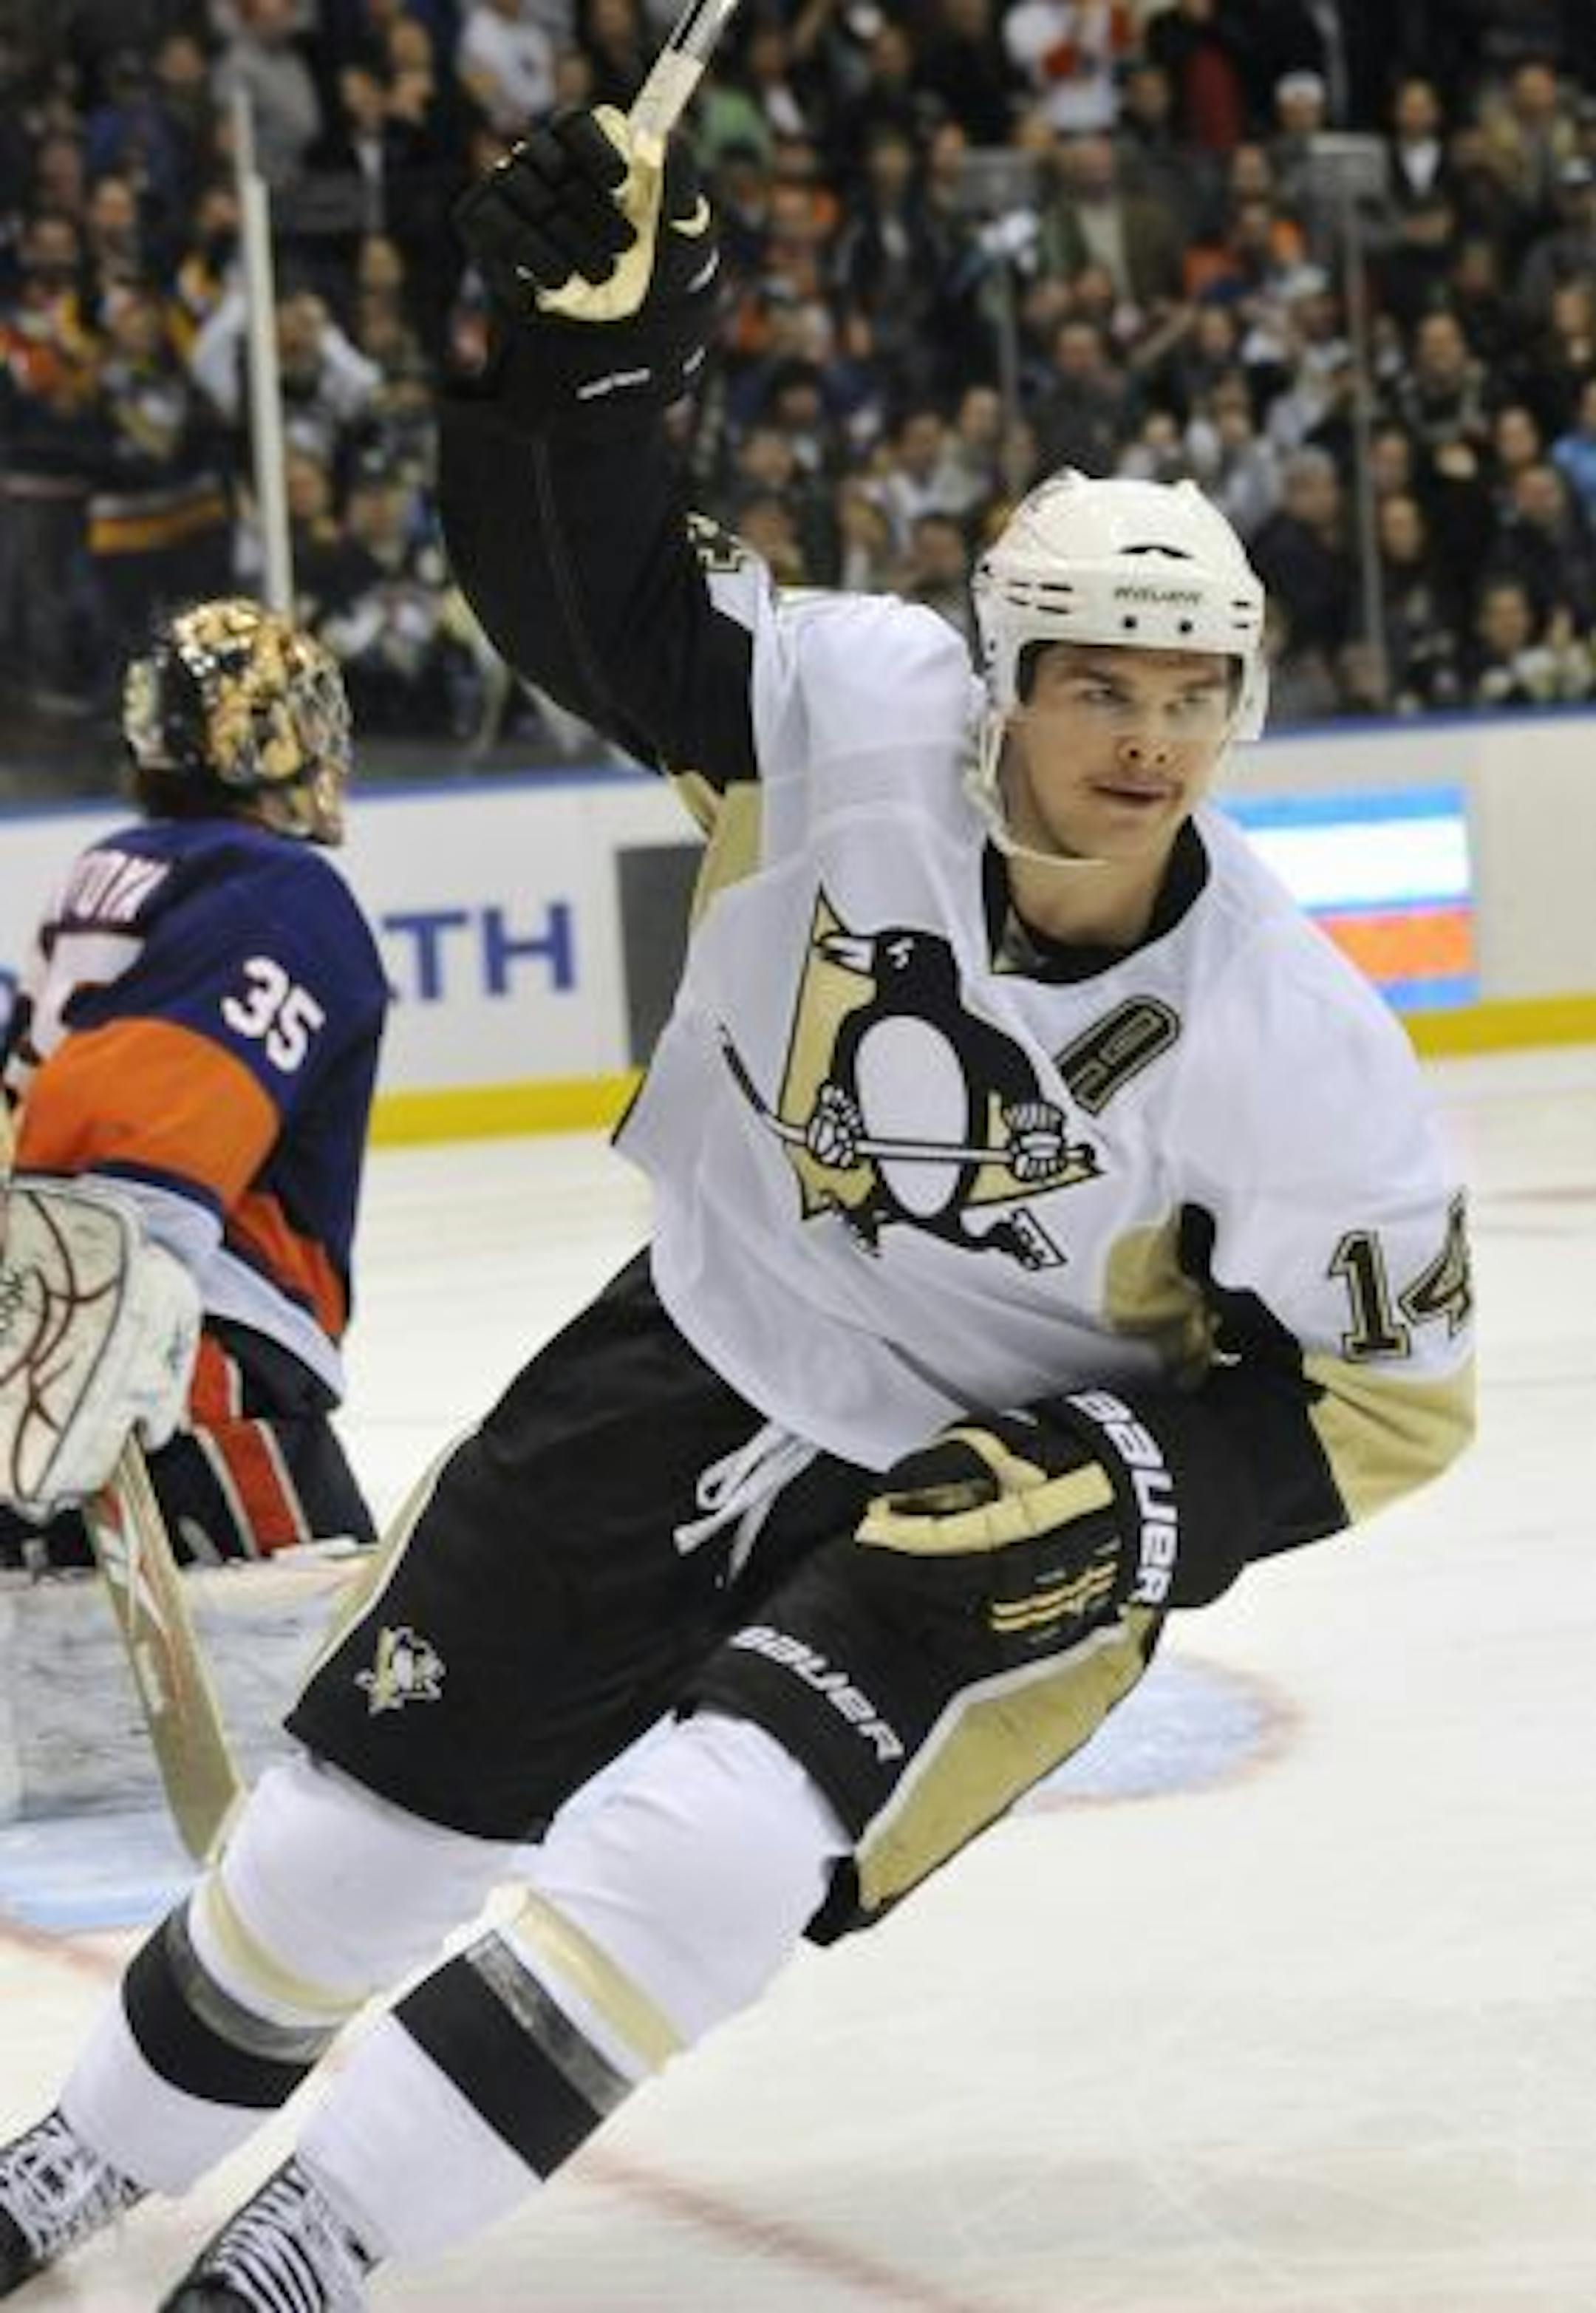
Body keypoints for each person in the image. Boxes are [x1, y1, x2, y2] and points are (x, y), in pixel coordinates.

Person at [0, 109, 1476, 2310]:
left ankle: (312, 2246)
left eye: (1189, 700)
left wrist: (1138, 1504)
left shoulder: (1302, 1046)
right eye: (1098, 686)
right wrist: (568, 373)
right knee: (338, 1846)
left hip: (975, 1496)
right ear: (1001, 677)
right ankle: (73, 2165)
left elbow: (1390, 1400)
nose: (1146, 743)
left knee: (701, 1841)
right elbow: (586, 609)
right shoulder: (851, 717)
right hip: (695, 1337)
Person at [0, 596, 386, 1576]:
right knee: (333, 1689)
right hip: (180, 1362)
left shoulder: (108, 870)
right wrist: (113, 1316)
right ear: (264, 734)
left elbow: (28, 1099)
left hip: (32, 1347)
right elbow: (149, 1120)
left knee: (65, 1696)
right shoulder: (283, 893)